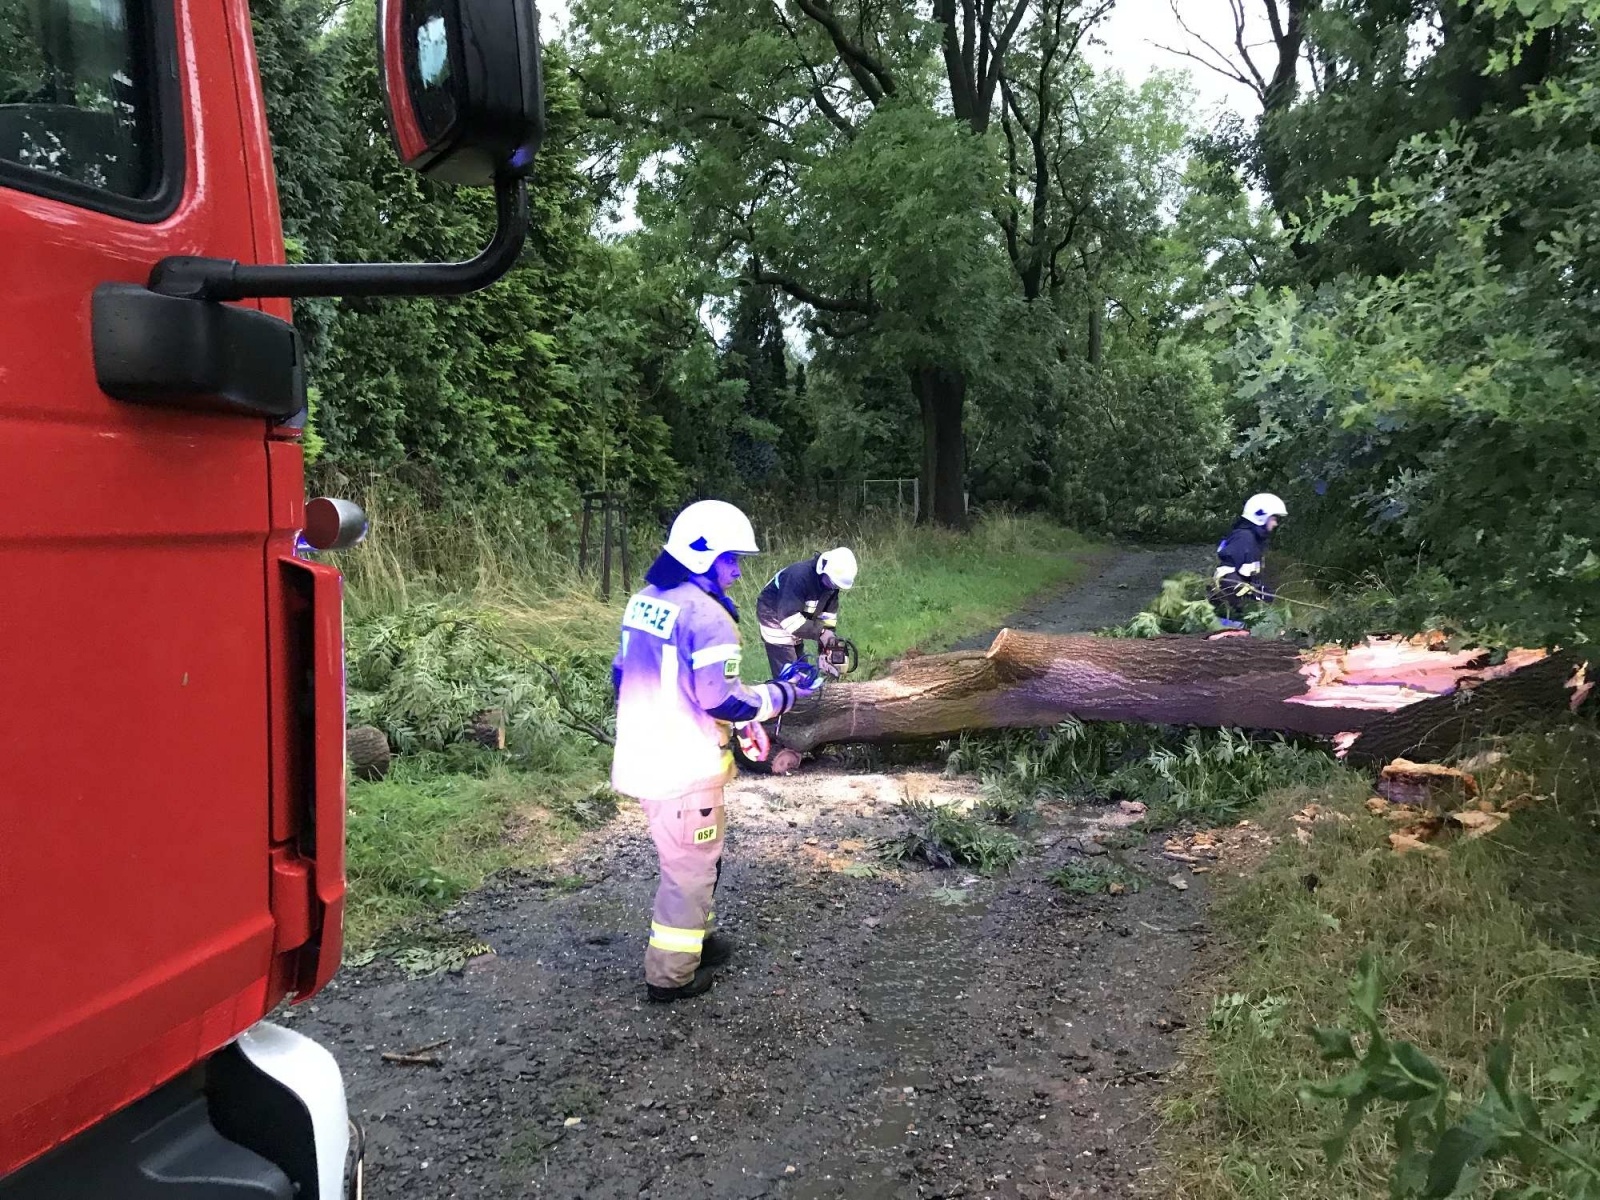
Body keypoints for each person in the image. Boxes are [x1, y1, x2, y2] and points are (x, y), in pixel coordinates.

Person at [610, 499, 818, 1002]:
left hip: (644, 757)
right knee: (691, 869)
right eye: (732, 559)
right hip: (683, 768)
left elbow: (621, 673)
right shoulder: (708, 617)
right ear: (702, 554)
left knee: (690, 857)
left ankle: (696, 940)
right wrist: (784, 693)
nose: (738, 570)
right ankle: (672, 974)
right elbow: (721, 699)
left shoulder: (645, 600)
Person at [756, 547, 857, 678]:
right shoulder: (798, 577)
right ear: (823, 570)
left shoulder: (831, 586)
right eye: (833, 583)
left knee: (802, 669)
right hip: (774, 616)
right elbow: (789, 619)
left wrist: (825, 649)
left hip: (797, 617)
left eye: (837, 586)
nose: (833, 588)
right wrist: (820, 632)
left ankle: (804, 690)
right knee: (789, 674)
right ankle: (786, 692)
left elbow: (828, 619)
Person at [1210, 493, 1287, 623]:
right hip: (1229, 615)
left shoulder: (1254, 540)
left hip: (1239, 613)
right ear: (1261, 516)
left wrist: (1264, 593)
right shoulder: (1243, 539)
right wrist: (1249, 598)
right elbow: (1226, 579)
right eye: (1273, 518)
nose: (1275, 523)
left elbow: (1249, 576)